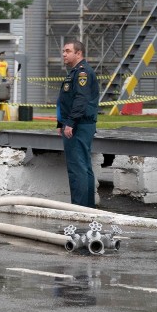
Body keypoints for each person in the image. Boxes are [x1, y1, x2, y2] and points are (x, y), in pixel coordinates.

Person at [56, 40, 99, 208]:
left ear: (78, 53)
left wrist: (70, 123)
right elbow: (66, 100)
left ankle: (79, 209)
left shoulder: (82, 73)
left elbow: (80, 100)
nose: (64, 54)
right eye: (63, 51)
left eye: (67, 51)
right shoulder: (74, 72)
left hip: (79, 125)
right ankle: (87, 208)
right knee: (83, 167)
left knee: (77, 168)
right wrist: (61, 122)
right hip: (77, 123)